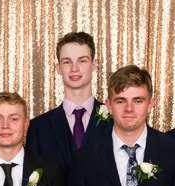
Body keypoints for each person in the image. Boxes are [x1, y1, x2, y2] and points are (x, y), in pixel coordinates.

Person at [26, 31, 112, 170]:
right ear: (58, 68)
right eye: (67, 62)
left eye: (82, 61)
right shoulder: (38, 127)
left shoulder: (115, 119)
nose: (74, 68)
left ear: (94, 65)